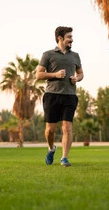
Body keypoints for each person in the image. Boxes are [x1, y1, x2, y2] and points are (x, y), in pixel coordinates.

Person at [36, 26, 84, 167]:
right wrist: (55, 75)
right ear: (60, 38)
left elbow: (81, 73)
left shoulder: (75, 55)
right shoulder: (48, 55)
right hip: (52, 95)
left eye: (71, 37)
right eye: (69, 37)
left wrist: (77, 78)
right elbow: (38, 75)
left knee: (67, 128)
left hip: (70, 96)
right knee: (50, 130)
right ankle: (51, 149)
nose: (72, 40)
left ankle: (64, 157)